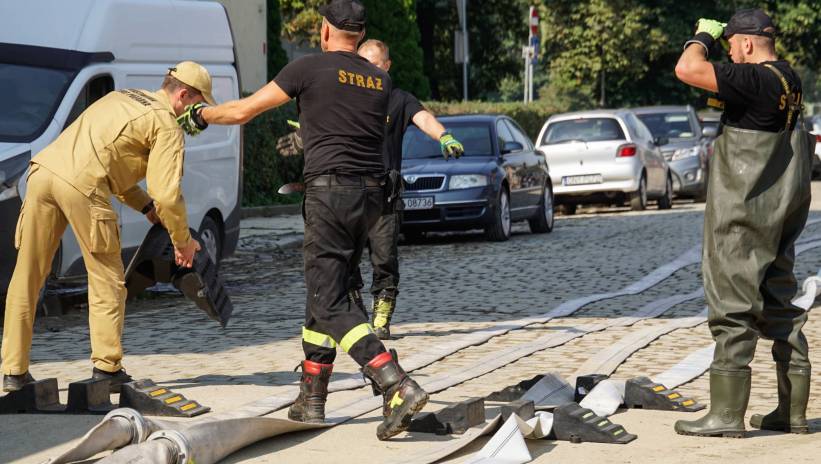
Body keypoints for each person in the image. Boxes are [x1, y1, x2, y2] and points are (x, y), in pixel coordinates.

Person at [180, 0, 428, 440]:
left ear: (324, 31)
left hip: (331, 196)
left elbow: (243, 111)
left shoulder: (309, 69)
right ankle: (311, 398)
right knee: (326, 293)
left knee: (330, 301)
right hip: (371, 199)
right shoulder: (379, 78)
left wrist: (200, 115)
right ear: (359, 35)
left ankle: (396, 382)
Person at [2, 61, 208, 393]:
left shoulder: (124, 97)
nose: (199, 117)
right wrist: (182, 241)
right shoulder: (167, 125)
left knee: (27, 276)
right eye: (198, 106)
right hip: (83, 187)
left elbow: (111, 166)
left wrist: (145, 206)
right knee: (107, 280)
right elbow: (168, 195)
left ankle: (13, 373)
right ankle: (107, 370)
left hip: (42, 173)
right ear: (183, 95)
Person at [673, 9, 815, 437]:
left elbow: (688, 69)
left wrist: (701, 36)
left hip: (743, 213)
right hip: (781, 212)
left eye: (732, 46)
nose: (729, 55)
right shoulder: (789, 79)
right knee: (781, 307)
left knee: (733, 308)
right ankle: (791, 413)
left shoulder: (753, 79)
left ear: (748, 43)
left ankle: (726, 416)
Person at [348, 39, 464, 340]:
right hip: (346, 193)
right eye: (362, 64)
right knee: (344, 259)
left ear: (386, 67)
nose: (368, 71)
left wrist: (444, 136)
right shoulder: (343, 97)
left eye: (374, 65)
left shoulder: (398, 99)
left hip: (384, 195)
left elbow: (422, 117)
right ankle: (352, 315)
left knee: (384, 258)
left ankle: (382, 316)